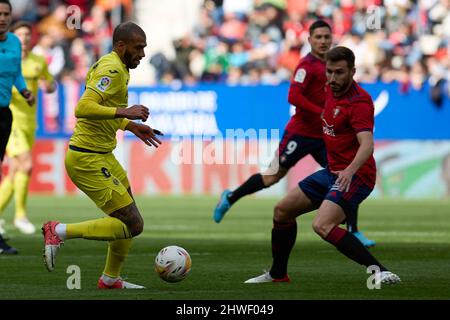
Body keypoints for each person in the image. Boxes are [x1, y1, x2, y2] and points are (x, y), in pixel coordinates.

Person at [244, 46, 400, 285]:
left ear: (352, 71)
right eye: (329, 72)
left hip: (357, 176)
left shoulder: (359, 102)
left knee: (322, 224)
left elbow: (367, 145)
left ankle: (380, 271)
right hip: (332, 172)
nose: (333, 78)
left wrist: (348, 171)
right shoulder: (328, 89)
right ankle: (278, 275)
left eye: (339, 72)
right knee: (282, 211)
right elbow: (299, 97)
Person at [213, 20, 375, 247]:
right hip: (300, 133)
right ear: (309, 40)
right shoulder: (305, 66)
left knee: (343, 173)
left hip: (325, 136)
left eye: (326, 37)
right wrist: (321, 113)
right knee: (271, 176)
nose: (323, 41)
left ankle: (353, 230)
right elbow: (294, 97)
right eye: (318, 37)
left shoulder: (333, 66)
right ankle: (230, 197)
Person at [42, 22, 163, 289]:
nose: (142, 54)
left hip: (102, 154)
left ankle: (110, 279)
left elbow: (104, 109)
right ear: (121, 46)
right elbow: (83, 107)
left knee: (128, 217)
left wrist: (131, 126)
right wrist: (124, 113)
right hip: (87, 159)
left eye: (144, 47)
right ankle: (58, 231)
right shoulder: (111, 69)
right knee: (133, 224)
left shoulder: (119, 66)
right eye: (138, 47)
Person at [0, 21, 56, 235]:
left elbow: (50, 84)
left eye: (27, 34)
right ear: (13, 37)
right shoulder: (9, 60)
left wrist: (49, 86)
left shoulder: (38, 61)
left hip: (30, 124)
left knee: (16, 171)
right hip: (11, 121)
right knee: (26, 164)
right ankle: (20, 216)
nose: (23, 38)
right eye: (20, 34)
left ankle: (7, 217)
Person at [0, 0, 34, 254]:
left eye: (6, 14)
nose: (2, 18)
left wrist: (24, 91)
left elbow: (16, 72)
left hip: (4, 115)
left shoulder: (13, 42)